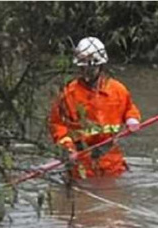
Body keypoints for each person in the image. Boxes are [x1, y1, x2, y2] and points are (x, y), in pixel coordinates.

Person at [49, 36, 141, 179]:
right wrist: (67, 148)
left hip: (112, 161)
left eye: (92, 67)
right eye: (83, 67)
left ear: (101, 66)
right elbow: (58, 126)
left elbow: (129, 107)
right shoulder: (68, 95)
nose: (87, 71)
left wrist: (132, 119)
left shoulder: (117, 90)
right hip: (81, 163)